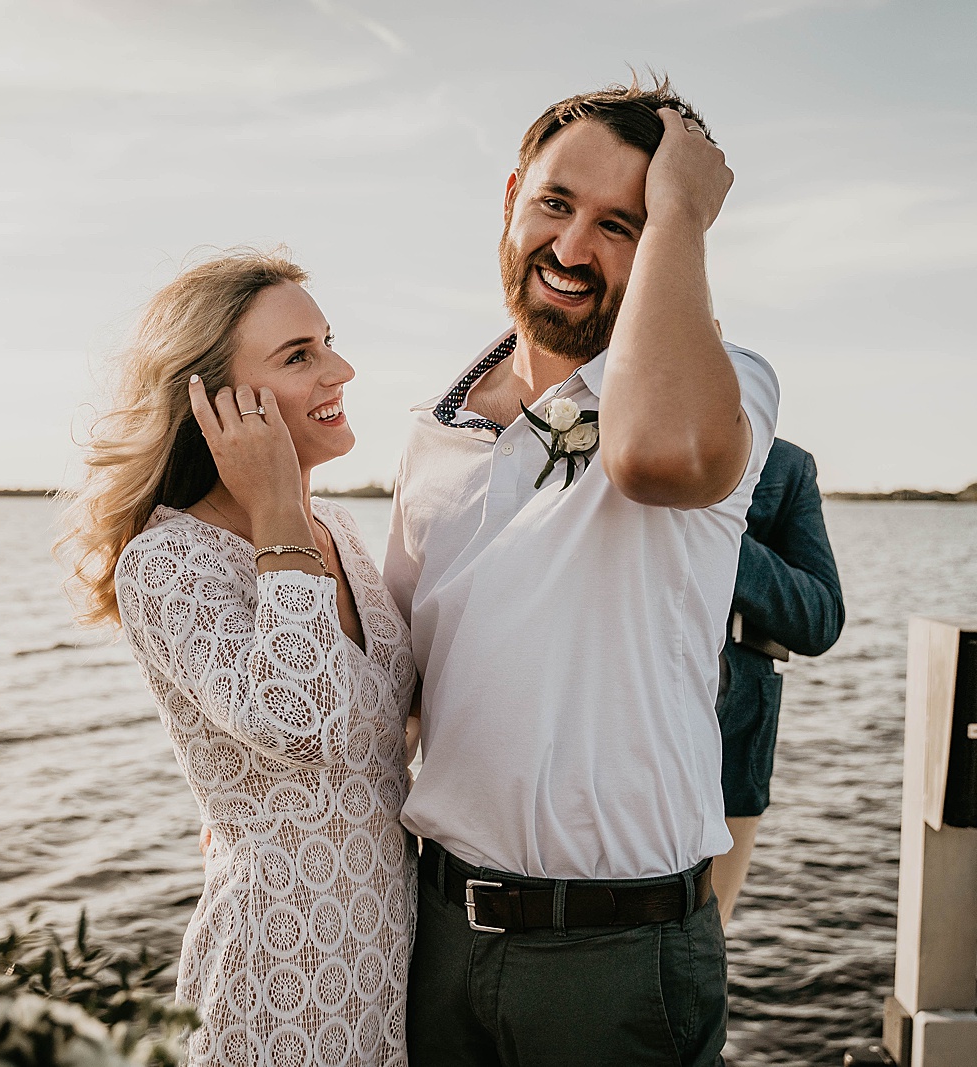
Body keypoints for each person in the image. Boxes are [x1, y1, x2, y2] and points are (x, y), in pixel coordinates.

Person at [386, 76, 778, 1066]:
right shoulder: (433, 430)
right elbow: (398, 691)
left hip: (617, 959)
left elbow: (656, 457)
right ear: (511, 196)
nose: (570, 248)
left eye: (619, 224)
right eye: (555, 203)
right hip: (435, 935)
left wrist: (681, 208)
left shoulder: (728, 389)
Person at [59, 251, 417, 1067]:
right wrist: (277, 506)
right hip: (278, 975)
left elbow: (388, 718)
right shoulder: (166, 562)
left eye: (328, 342)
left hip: (392, 962)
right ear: (213, 404)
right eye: (298, 356)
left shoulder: (342, 532)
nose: (340, 370)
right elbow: (301, 723)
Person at [709, 437, 845, 926]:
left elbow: (821, 619)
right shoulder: (596, 436)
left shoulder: (785, 465)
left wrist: (717, 532)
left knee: (709, 936)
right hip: (600, 740)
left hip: (732, 747)